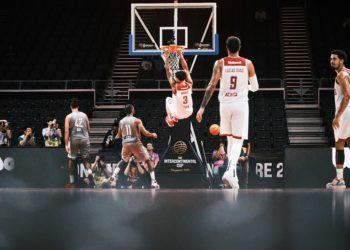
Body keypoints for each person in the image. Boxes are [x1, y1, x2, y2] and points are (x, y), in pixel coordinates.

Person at [196, 36, 259, 189]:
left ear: (226, 48)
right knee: (238, 141)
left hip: (224, 105)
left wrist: (202, 107)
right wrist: (246, 87)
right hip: (240, 105)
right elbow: (256, 87)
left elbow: (211, 84)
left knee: (231, 141)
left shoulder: (220, 63)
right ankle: (230, 171)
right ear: (240, 47)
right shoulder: (248, 63)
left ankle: (234, 178)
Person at [110, 104, 159, 188]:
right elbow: (145, 133)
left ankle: (114, 175)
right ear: (133, 110)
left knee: (123, 160)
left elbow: (119, 135)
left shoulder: (121, 121)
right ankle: (153, 182)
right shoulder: (137, 120)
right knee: (148, 160)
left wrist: (113, 139)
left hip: (125, 143)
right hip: (135, 143)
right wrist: (152, 134)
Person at [327, 50, 350, 189]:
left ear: (341, 60)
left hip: (345, 112)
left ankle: (340, 179)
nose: (332, 61)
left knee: (339, 143)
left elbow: (347, 95)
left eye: (335, 59)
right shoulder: (348, 72)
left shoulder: (342, 74)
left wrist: (337, 116)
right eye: (331, 59)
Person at [64, 98, 92, 188]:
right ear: (78, 107)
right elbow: (89, 129)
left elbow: (66, 131)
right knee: (86, 160)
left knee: (71, 160)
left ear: (70, 107)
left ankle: (72, 182)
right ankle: (91, 178)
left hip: (74, 140)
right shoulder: (84, 115)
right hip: (84, 138)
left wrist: (66, 144)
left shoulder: (68, 116)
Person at [163, 49, 193, 127]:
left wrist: (166, 57)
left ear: (177, 79)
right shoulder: (189, 83)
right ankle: (173, 116)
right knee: (172, 100)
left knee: (168, 99)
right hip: (188, 112)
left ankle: (170, 117)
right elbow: (186, 69)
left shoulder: (175, 86)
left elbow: (168, 71)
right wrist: (181, 55)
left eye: (175, 76)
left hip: (180, 114)